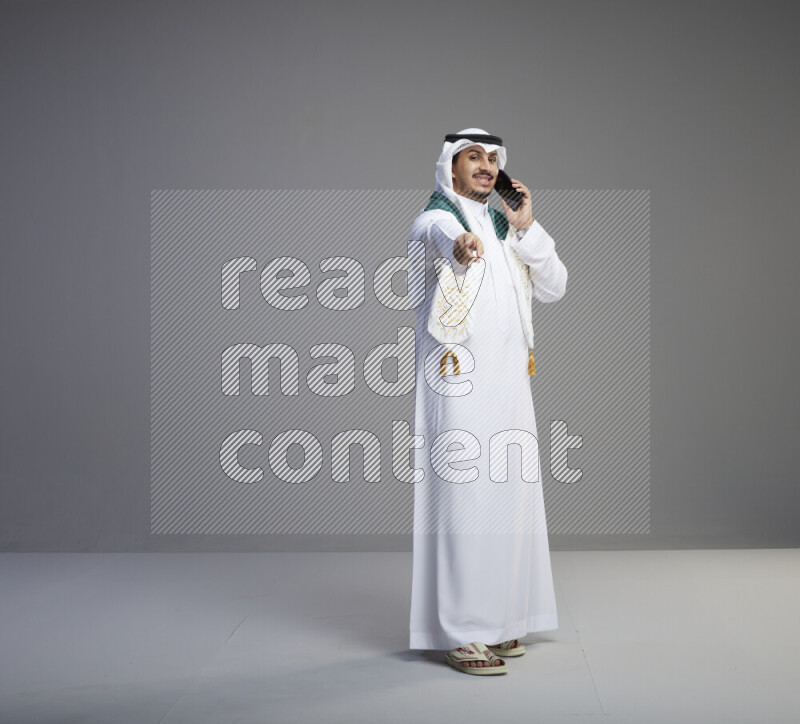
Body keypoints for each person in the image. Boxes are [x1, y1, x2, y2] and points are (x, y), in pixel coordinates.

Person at [407, 128, 568, 675]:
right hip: (457, 381)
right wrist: (459, 245)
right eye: (472, 157)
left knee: (511, 500)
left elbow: (556, 286)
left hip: (510, 383)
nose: (484, 165)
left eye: (492, 158)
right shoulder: (435, 218)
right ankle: (463, 632)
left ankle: (499, 624)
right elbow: (440, 237)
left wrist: (525, 228)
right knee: (465, 499)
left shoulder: (508, 229)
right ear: (450, 168)